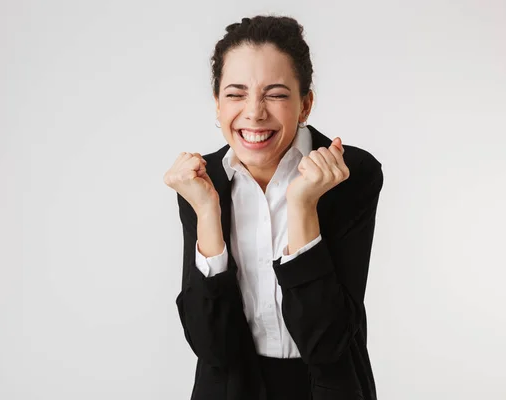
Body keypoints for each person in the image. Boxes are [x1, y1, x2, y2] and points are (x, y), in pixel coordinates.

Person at [163, 15, 384, 400]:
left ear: (305, 105)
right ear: (217, 105)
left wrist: (302, 206)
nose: (254, 112)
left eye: (276, 94)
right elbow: (211, 345)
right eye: (235, 94)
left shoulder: (351, 174)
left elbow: (327, 342)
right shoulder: (201, 180)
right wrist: (206, 212)